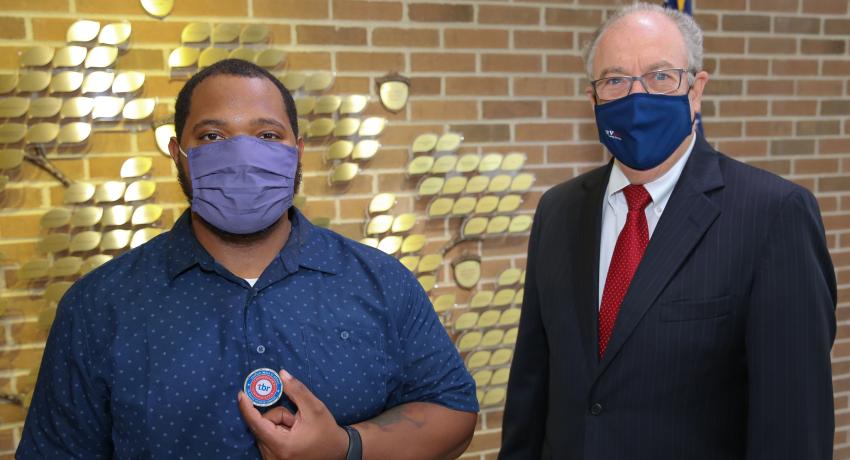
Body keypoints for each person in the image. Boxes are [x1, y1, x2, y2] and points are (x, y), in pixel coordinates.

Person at [18, 58, 478, 459]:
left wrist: (344, 447)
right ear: (178, 155)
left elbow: (451, 409)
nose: (241, 156)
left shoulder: (380, 281)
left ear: (297, 152)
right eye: (214, 135)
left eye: (266, 134)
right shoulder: (99, 306)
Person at [500, 3, 836, 459]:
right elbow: (531, 391)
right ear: (593, 99)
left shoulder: (772, 216)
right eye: (615, 80)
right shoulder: (557, 212)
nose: (637, 97)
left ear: (696, 91)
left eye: (661, 76)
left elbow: (793, 426)